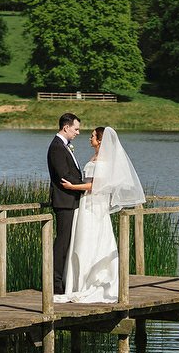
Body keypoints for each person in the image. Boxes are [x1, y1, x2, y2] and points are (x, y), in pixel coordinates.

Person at [56, 126, 146, 303]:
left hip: (95, 204)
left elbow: (96, 185)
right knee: (82, 239)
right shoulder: (95, 157)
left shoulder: (104, 162)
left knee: (92, 239)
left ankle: (91, 281)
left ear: (100, 140)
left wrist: (72, 187)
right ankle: (78, 282)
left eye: (92, 136)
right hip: (86, 203)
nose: (90, 138)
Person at [46, 112, 84, 296]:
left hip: (71, 200)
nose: (78, 132)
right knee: (62, 242)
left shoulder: (64, 146)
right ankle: (54, 283)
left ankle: (63, 280)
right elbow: (64, 176)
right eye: (76, 129)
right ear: (66, 127)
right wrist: (85, 188)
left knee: (68, 242)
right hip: (64, 201)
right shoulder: (56, 147)